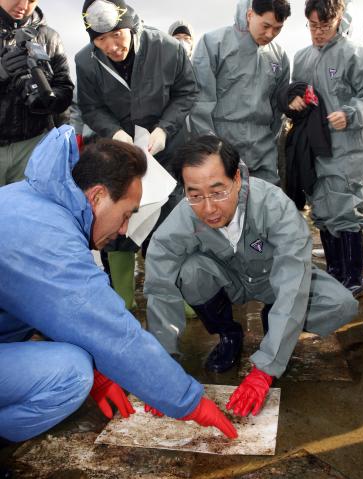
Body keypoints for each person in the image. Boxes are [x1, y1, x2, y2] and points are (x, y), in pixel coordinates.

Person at [0, 126, 238, 444]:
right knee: (70, 374)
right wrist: (189, 402)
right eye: (126, 214)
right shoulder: (47, 238)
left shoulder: (29, 201)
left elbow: (46, 307)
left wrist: (103, 375)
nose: (125, 229)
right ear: (97, 196)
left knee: (79, 362)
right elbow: (115, 334)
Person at [144, 135, 358, 416]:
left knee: (340, 305)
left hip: (274, 282)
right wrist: (162, 364)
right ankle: (228, 335)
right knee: (190, 271)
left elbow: (293, 285)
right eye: (194, 194)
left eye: (218, 191)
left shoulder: (274, 206)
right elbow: (159, 286)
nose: (208, 208)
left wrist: (265, 369)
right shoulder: (185, 215)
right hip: (229, 282)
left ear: (237, 178)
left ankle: (276, 325)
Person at [75, 0, 198, 309]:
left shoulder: (167, 47)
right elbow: (90, 107)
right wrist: (114, 133)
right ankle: (122, 301)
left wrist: (164, 129)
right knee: (119, 225)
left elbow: (187, 92)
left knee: (172, 221)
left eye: (118, 35)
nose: (112, 46)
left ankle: (183, 298)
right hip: (118, 154)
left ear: (131, 26)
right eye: (101, 40)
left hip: (166, 150)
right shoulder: (86, 61)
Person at [289, 0, 363, 299]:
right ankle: (336, 271)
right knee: (323, 209)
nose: (318, 32)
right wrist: (293, 101)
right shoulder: (301, 58)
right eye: (312, 26)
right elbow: (294, 93)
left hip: (349, 147)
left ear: (338, 19)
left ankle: (354, 278)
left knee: (346, 208)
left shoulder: (359, 55)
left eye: (324, 26)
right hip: (315, 148)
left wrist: (351, 114)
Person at [189, 0, 291, 186]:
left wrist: (268, 140)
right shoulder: (213, 44)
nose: (270, 34)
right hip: (221, 150)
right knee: (223, 209)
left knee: (265, 207)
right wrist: (211, 148)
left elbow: (278, 109)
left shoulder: (279, 56)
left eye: (277, 28)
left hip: (263, 152)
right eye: (266, 26)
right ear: (250, 14)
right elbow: (199, 102)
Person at [0, 0, 73, 186]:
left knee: (25, 213)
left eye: (32, 0)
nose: (23, 5)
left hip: (33, 147)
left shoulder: (50, 37)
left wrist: (51, 97)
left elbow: (64, 86)